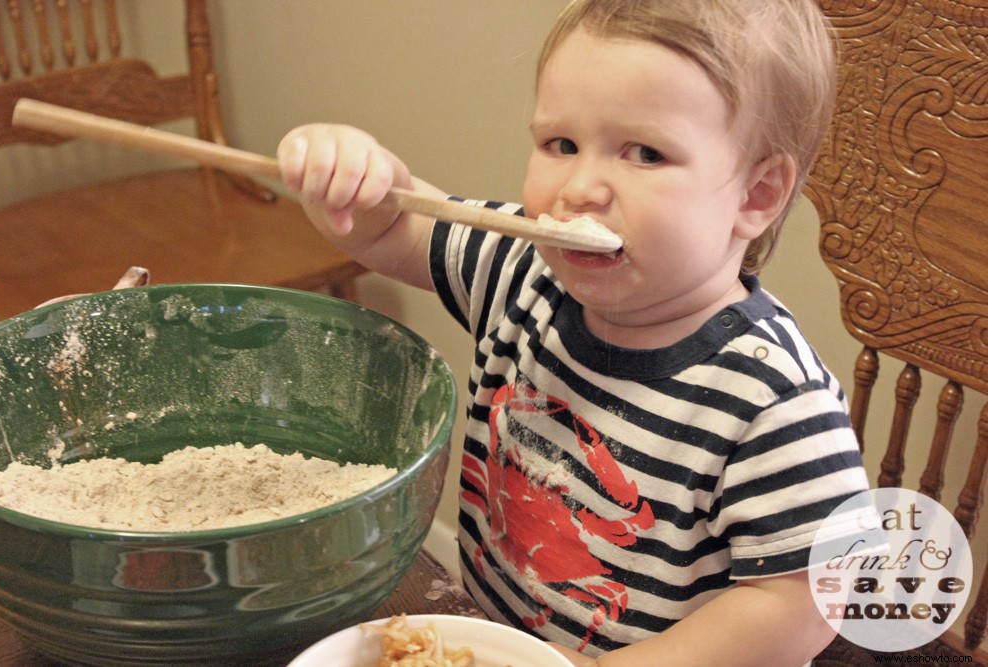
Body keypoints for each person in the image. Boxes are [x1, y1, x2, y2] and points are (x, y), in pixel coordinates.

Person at [277, 1, 872, 664]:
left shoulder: (775, 397)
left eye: (645, 153)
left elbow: (806, 598)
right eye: (561, 144)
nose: (580, 187)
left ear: (757, 195)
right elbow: (390, 229)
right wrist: (352, 176)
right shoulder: (520, 269)